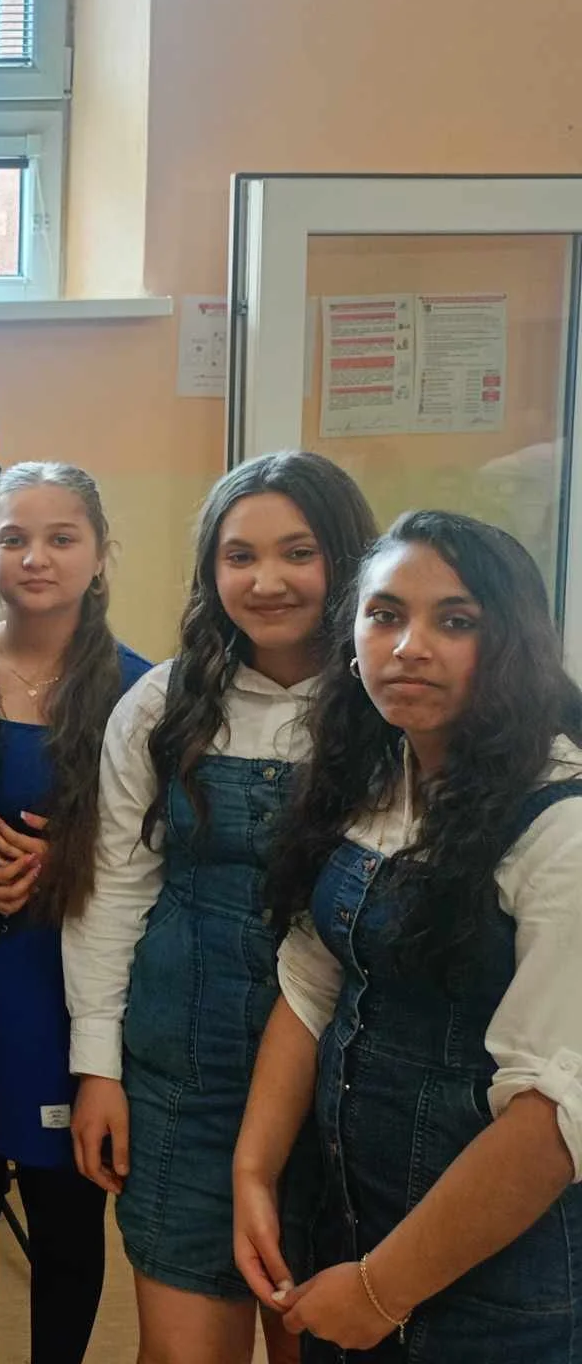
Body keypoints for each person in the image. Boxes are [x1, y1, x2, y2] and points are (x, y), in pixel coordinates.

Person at [236, 512, 582, 1361]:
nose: (409, 646)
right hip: (351, 1232)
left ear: (513, 648)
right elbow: (312, 981)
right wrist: (253, 1169)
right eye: (385, 615)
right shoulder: (373, 784)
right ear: (351, 644)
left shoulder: (561, 828)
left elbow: (552, 1117)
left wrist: (379, 1290)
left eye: (454, 622)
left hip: (491, 1289)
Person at [62, 451, 375, 1364]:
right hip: (181, 1084)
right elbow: (115, 888)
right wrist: (98, 1066)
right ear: (211, 572)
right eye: (239, 556)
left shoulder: (386, 704)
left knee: (317, 1339)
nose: (267, 580)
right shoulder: (161, 704)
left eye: (298, 552)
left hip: (345, 1098)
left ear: (347, 560)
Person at [0, 462, 151, 1364]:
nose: (37, 556)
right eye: (13, 536)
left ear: (99, 557)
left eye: (62, 537)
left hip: (69, 992)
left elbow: (161, 853)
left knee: (66, 1215)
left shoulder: (143, 691)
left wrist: (74, 856)